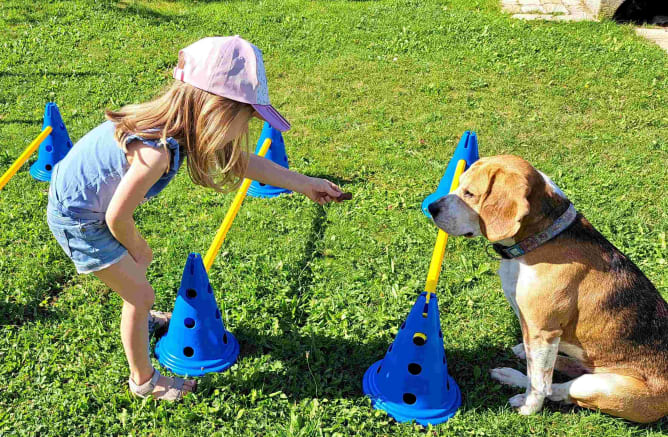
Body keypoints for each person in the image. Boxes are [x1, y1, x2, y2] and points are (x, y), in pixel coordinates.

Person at [46, 36, 343, 401]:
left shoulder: (175, 126)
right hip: (80, 219)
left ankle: (142, 317)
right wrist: (139, 249)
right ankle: (144, 382)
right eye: (246, 116)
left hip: (85, 202)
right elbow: (116, 216)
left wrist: (304, 184)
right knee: (140, 294)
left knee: (136, 289)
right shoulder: (154, 154)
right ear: (217, 110)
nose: (247, 126)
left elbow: (242, 162)